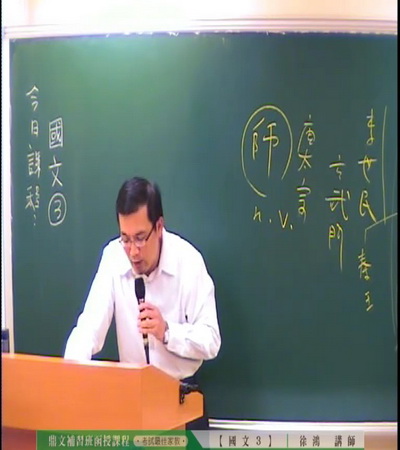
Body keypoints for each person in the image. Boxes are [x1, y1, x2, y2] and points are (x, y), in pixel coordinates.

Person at [64, 176, 221, 429]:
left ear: (159, 227)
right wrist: (69, 374)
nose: (133, 251)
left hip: (181, 399)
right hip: (133, 401)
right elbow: (89, 327)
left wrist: (167, 331)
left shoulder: (188, 262)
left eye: (140, 238)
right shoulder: (113, 257)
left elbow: (211, 340)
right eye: (125, 238)